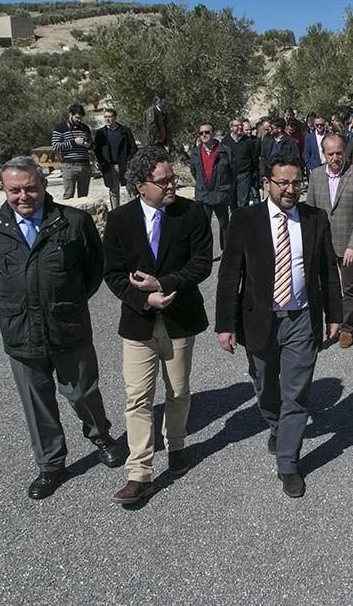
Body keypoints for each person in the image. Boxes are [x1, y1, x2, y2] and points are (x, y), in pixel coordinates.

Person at [0, 156, 126, 500]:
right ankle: (51, 465)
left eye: (30, 187)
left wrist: (62, 301)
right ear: (4, 190)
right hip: (21, 331)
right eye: (15, 190)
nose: (23, 196)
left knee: (81, 392)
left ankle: (101, 436)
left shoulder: (74, 222)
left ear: (44, 186)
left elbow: (92, 272)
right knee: (36, 401)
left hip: (68, 324)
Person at [215, 155, 342, 498]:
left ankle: (288, 463)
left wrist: (334, 315)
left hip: (301, 318)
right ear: (266, 183)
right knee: (265, 385)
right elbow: (230, 276)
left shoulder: (315, 219)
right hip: (261, 319)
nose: (290, 189)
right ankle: (276, 422)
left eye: (296, 182)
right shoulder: (245, 220)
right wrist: (225, 325)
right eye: (283, 183)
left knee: (296, 394)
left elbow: (328, 271)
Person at [103, 146, 213, 504]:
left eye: (173, 179)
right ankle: (139, 472)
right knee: (137, 397)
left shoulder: (192, 213)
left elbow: (201, 265)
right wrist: (144, 298)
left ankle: (177, 443)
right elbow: (113, 274)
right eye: (162, 181)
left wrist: (164, 284)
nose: (171, 186)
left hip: (180, 319)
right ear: (140, 185)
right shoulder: (119, 220)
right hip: (138, 323)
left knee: (178, 391)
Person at [305, 135, 353, 348]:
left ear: (345, 152)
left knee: (348, 288)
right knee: (321, 287)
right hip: (322, 245)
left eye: (339, 153)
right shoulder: (315, 176)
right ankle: (328, 322)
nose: (335, 158)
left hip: (347, 244)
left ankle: (347, 328)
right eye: (331, 153)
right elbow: (310, 212)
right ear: (324, 154)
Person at [188, 123, 234, 251]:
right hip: (204, 197)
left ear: (213, 133)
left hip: (221, 195)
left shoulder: (225, 150)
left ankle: (226, 253)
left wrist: (226, 188)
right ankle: (205, 253)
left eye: (207, 132)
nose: (204, 135)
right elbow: (194, 171)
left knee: (224, 225)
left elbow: (232, 172)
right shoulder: (195, 152)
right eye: (201, 133)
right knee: (203, 227)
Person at [93, 106, 138, 210]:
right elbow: (97, 149)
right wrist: (100, 162)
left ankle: (134, 212)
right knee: (113, 192)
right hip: (110, 167)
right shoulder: (101, 133)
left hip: (125, 165)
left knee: (131, 190)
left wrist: (129, 161)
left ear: (115, 117)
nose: (107, 119)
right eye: (105, 117)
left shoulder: (125, 131)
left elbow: (133, 148)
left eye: (110, 116)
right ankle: (115, 214)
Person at [51, 104, 94, 200]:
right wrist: (74, 142)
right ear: (70, 114)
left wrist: (88, 145)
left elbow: (92, 144)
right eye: (77, 118)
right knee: (68, 195)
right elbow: (55, 146)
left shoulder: (85, 128)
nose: (79, 120)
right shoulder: (60, 128)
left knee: (84, 197)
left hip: (85, 166)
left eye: (81, 118)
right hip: (69, 166)